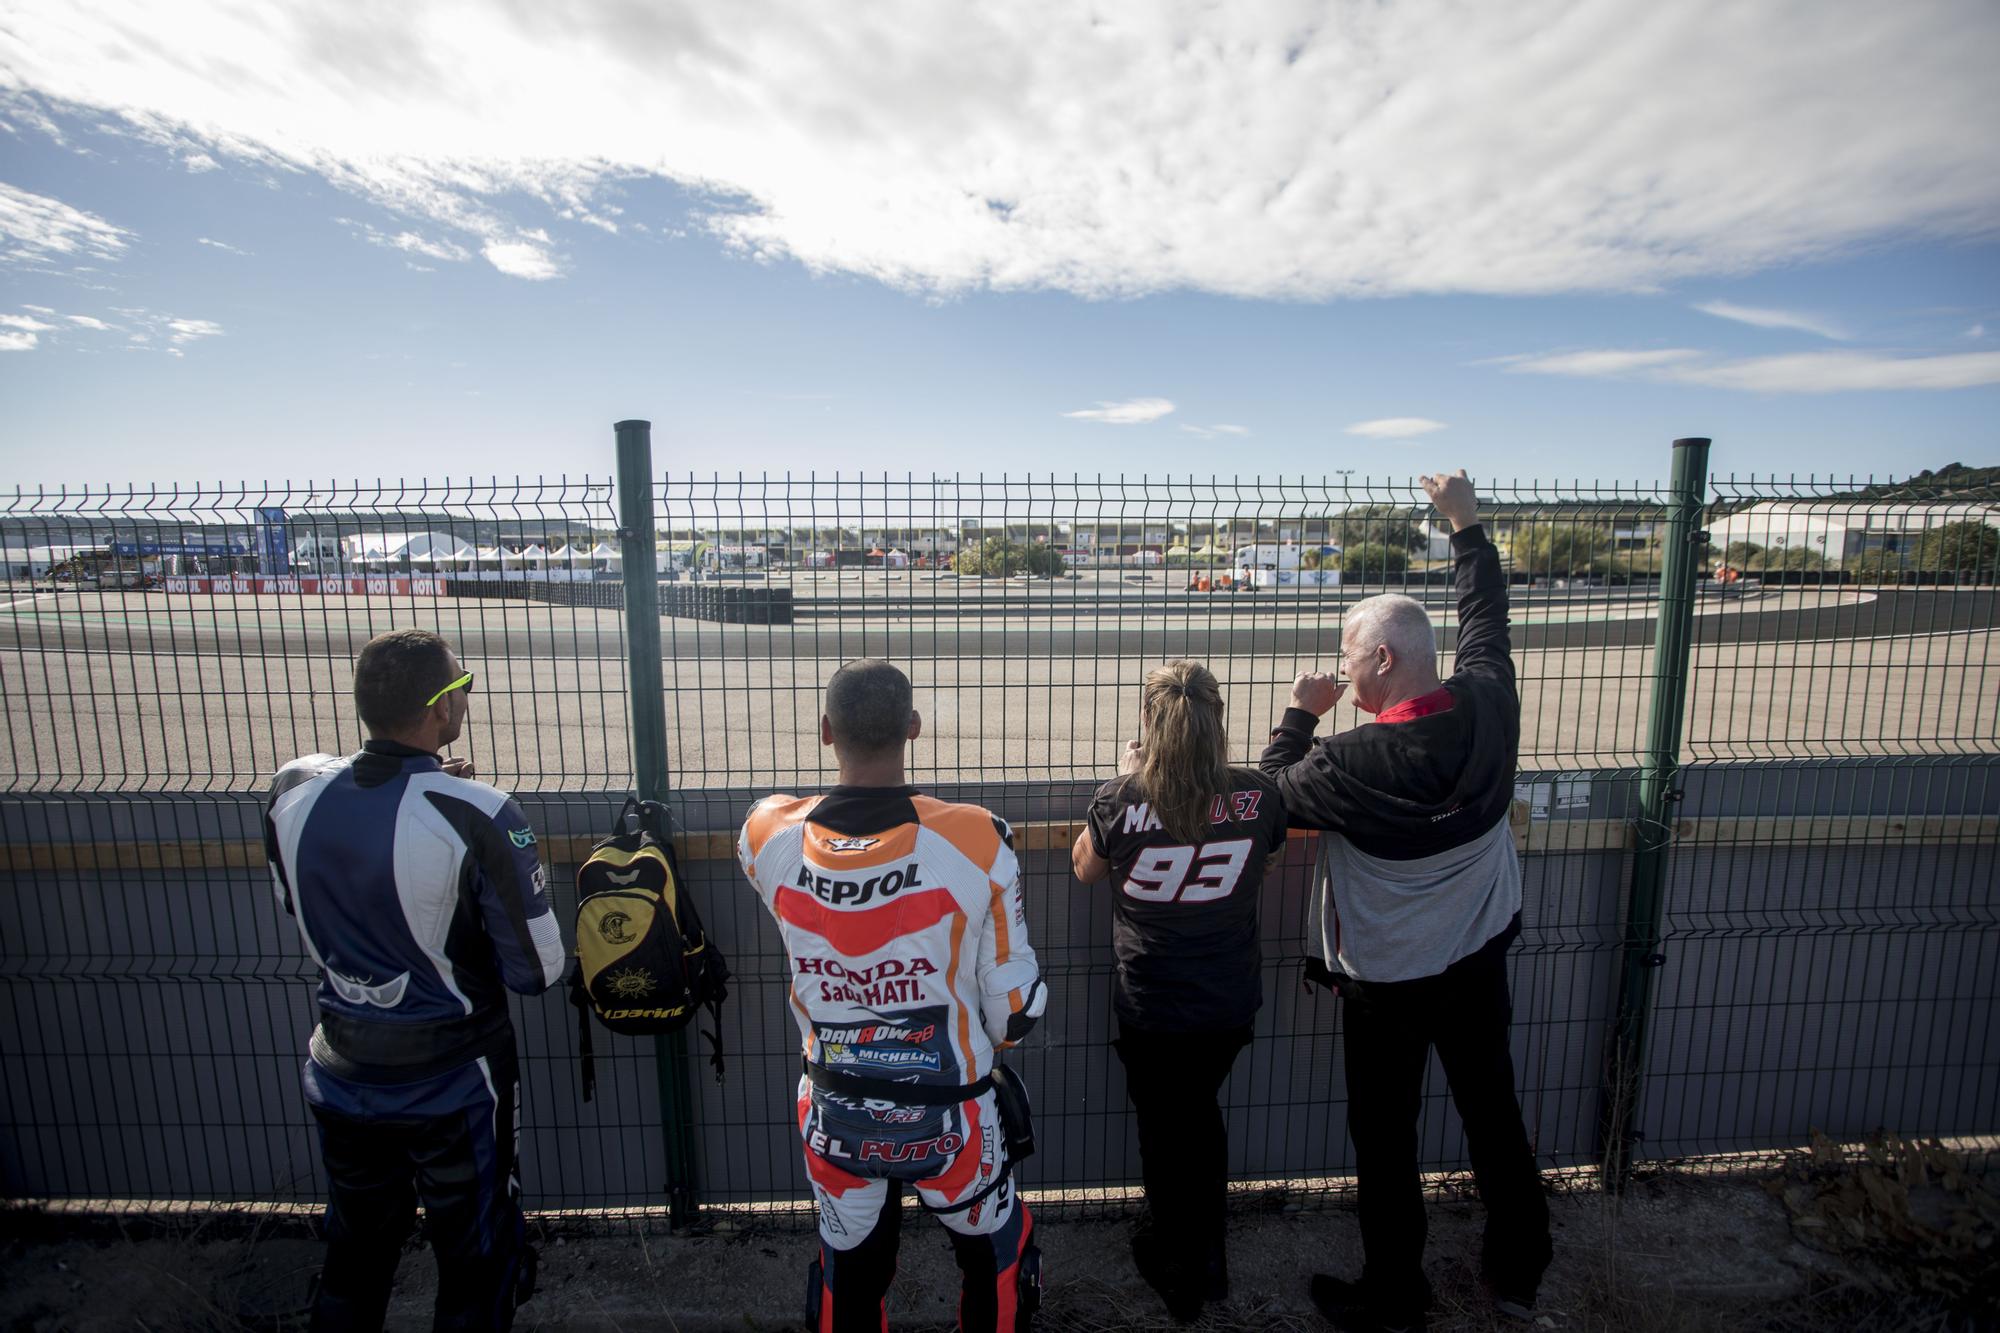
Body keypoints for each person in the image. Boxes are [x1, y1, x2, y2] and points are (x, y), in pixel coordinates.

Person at [1260, 471, 1551, 1332]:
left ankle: (1395, 1292)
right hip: (1478, 952)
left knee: (1386, 1138)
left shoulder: (1347, 763)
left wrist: (1299, 714)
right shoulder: (1491, 705)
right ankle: (1522, 1268)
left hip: (1387, 982)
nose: (1343, 669)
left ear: (1380, 660)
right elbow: (1486, 622)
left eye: (1349, 656)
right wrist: (1466, 525)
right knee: (1493, 1110)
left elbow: (1267, 800)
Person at [264, 629, 568, 1333]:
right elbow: (539, 970)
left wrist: (427, 778)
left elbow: (295, 895)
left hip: (339, 1062)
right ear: (439, 709)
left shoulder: (291, 793)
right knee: (476, 1263)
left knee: (356, 1255)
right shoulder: (480, 811)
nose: (465, 695)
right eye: (461, 686)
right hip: (454, 1077)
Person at [737, 659, 1049, 1333]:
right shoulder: (976, 838)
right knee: (994, 1257)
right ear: (913, 728)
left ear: (826, 731)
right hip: (954, 1117)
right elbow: (1016, 1008)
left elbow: (777, 829)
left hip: (833, 1113)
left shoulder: (766, 835)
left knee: (849, 1271)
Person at [1070, 660, 1288, 1322]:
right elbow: (1266, 853)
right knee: (1199, 1116)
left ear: (1147, 722)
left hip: (1154, 1006)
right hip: (1226, 1002)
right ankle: (1210, 1252)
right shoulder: (1259, 795)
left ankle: (1181, 1267)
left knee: (1167, 1133)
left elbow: (1085, 866)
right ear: (1218, 721)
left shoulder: (1120, 799)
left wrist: (1130, 774)